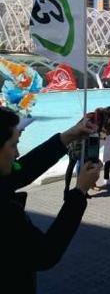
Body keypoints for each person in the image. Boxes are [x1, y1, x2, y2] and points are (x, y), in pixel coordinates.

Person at [0, 107, 101, 293]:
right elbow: (45, 254)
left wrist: (68, 136)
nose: (17, 154)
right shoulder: (5, 213)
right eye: (13, 145)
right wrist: (79, 192)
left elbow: (21, 171)